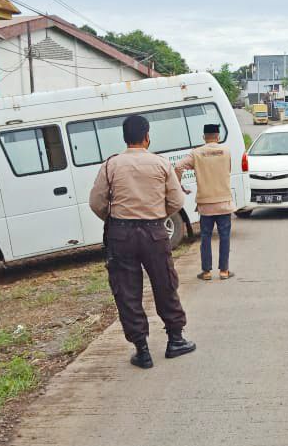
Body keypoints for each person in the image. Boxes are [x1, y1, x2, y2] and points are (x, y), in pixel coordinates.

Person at [90, 115, 196, 369]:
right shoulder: (160, 163)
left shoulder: (110, 166)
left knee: (127, 290)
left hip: (121, 234)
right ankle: (175, 340)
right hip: (154, 232)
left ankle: (142, 349)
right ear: (147, 136)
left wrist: (116, 218)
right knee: (164, 283)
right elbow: (177, 201)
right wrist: (157, 213)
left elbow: (96, 202)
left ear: (125, 138)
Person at [175, 124, 234, 281]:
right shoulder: (226, 151)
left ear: (204, 137)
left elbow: (178, 167)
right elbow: (228, 171)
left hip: (205, 203)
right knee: (225, 236)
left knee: (206, 237)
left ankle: (206, 272)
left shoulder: (196, 153)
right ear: (218, 137)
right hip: (224, 202)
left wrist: (179, 185)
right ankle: (224, 271)